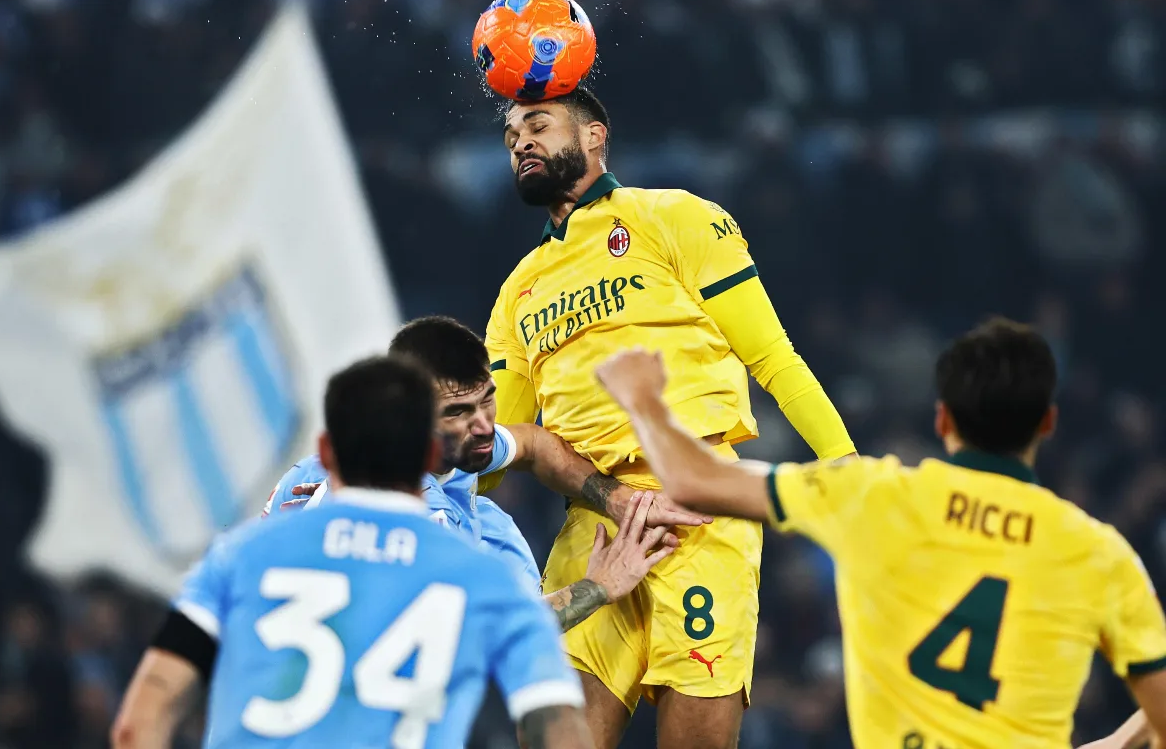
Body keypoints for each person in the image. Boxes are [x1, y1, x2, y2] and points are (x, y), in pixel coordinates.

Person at [593, 318, 1166, 749]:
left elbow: (694, 479)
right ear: (1047, 422)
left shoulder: (873, 496)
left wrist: (642, 398)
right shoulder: (1100, 554)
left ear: (943, 420)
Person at [484, 86, 855, 747]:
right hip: (593, 527)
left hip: (702, 514)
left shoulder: (677, 218)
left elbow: (773, 357)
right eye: (512, 137)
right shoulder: (516, 293)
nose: (522, 144)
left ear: (596, 136)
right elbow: (500, 452)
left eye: (538, 126)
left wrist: (845, 466)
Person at [111, 356, 593, 748]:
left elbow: (143, 715)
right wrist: (599, 586)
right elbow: (555, 722)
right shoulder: (479, 574)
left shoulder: (235, 558)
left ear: (324, 452)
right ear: (427, 455)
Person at [264, 315, 706, 631]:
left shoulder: (415, 450)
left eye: (487, 400)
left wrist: (617, 498)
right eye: (458, 411)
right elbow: (492, 632)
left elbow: (533, 444)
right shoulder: (417, 515)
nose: (484, 425)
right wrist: (600, 585)